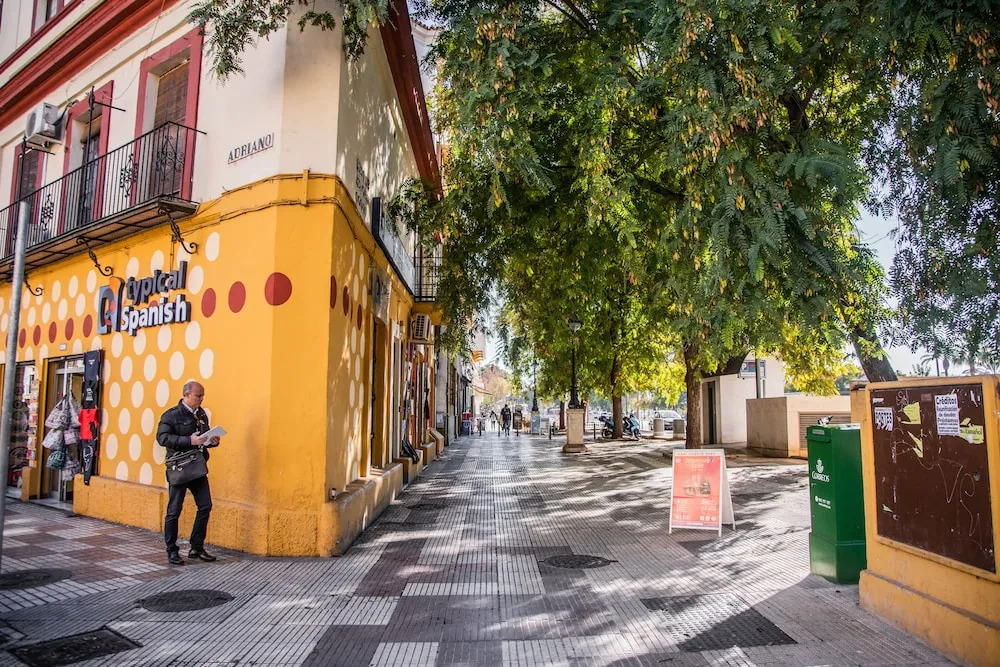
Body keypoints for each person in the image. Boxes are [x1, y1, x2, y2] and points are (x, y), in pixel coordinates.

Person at [157, 381, 220, 565]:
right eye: (198, 395)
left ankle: (196, 547)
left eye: (202, 395)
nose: (201, 399)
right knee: (174, 510)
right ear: (186, 395)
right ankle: (172, 550)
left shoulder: (201, 414)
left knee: (205, 505)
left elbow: (203, 437)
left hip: (197, 467)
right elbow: (162, 438)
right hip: (180, 468)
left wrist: (211, 441)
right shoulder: (171, 415)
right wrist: (188, 440)